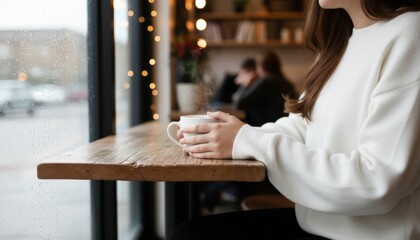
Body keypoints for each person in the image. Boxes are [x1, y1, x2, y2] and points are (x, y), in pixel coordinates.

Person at [171, 0, 420, 239]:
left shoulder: (409, 33)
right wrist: (231, 137)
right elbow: (301, 126)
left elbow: (377, 183)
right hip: (317, 225)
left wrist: (248, 141)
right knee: (188, 232)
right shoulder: (338, 45)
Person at [233, 51, 296, 126]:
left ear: (261, 66)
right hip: (281, 126)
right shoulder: (288, 84)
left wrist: (246, 83)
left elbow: (239, 104)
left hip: (264, 128)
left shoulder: (265, 82)